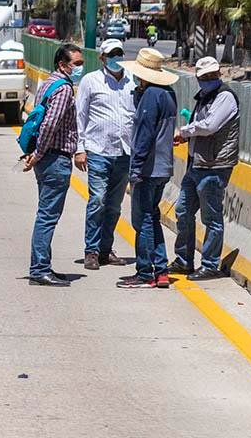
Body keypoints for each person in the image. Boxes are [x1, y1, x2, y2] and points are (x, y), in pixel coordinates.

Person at [170, 56, 240, 280]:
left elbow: (210, 126)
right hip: (197, 164)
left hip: (214, 166)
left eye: (213, 75)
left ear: (219, 74)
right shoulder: (205, 96)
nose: (209, 79)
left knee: (211, 218)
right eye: (205, 77)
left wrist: (185, 131)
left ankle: (210, 264)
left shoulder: (225, 97)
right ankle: (183, 260)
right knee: (183, 210)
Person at [116, 48, 178, 288]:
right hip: (163, 168)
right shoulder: (167, 94)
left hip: (148, 169)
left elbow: (144, 136)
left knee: (142, 222)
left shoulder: (151, 95)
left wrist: (136, 169)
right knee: (152, 219)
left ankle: (145, 272)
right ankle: (161, 270)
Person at [23, 43, 84, 287]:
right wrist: (38, 153)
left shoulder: (49, 83)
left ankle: (42, 265)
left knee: (46, 214)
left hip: (49, 158)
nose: (80, 68)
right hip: (55, 158)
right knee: (47, 216)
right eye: (77, 64)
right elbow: (49, 124)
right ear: (62, 64)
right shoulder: (64, 90)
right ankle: (39, 269)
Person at [74, 38, 134, 270]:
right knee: (97, 200)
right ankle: (91, 250)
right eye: (112, 54)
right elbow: (80, 115)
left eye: (119, 53)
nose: (116, 58)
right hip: (98, 149)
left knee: (114, 205)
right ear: (102, 58)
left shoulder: (132, 81)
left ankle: (106, 250)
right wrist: (80, 149)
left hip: (124, 151)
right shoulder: (91, 81)